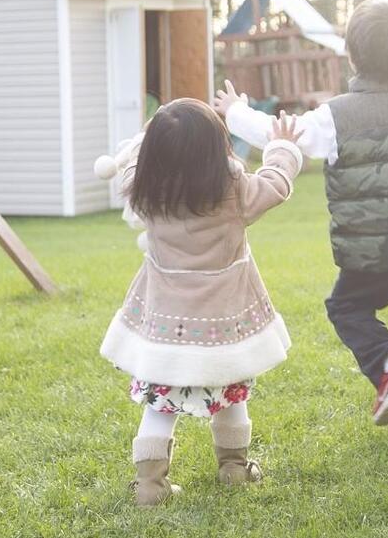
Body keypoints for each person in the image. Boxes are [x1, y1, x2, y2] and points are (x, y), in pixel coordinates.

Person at [216, 0, 388, 447]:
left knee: (348, 308)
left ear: (352, 56)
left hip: (372, 254)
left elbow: (278, 134)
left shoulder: (334, 116)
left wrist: (235, 112)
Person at [99, 99, 304, 507]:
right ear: (218, 149)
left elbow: (137, 163)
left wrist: (151, 139)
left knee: (160, 402)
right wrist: (282, 146)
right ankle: (234, 468)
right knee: (231, 393)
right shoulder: (234, 191)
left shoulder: (146, 194)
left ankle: (150, 486)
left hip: (165, 327)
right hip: (223, 326)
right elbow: (276, 182)